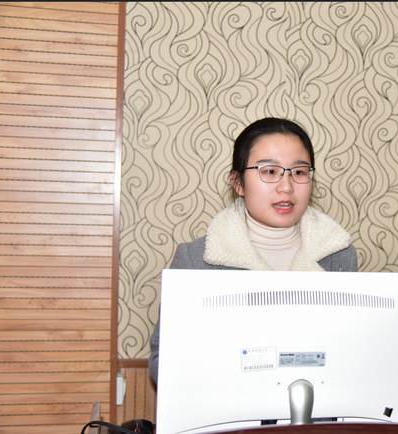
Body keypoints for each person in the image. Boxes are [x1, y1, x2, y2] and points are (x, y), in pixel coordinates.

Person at [148, 117, 358, 383]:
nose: (286, 186)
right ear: (238, 183)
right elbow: (162, 362)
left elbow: (350, 352)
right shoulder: (195, 259)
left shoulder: (339, 256)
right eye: (269, 171)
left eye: (299, 172)